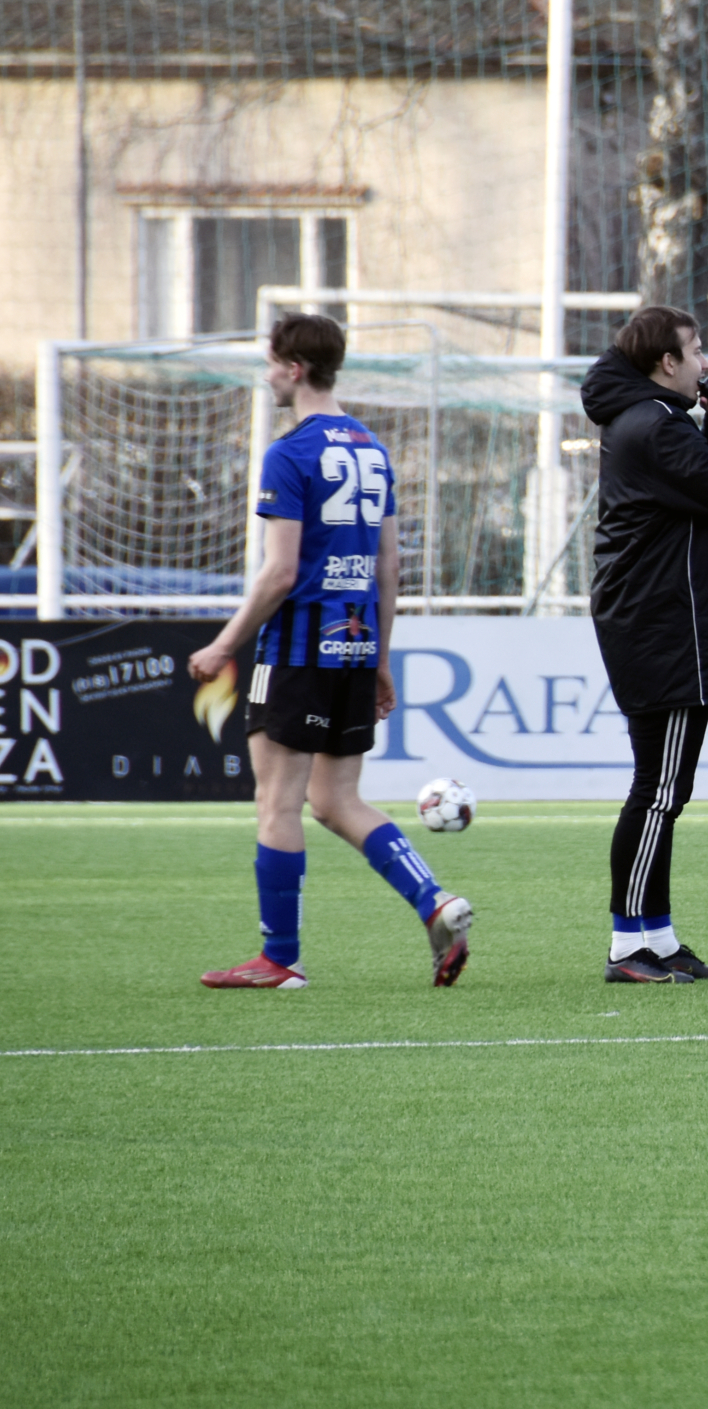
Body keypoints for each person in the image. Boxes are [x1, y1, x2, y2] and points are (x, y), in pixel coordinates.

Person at [191, 312, 472, 989]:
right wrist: (380, 658)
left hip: (295, 647)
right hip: (353, 642)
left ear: (293, 368)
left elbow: (280, 572)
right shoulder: (372, 451)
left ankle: (279, 958)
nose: (267, 376)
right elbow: (390, 565)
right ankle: (435, 901)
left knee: (277, 802)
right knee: (337, 800)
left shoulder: (289, 454)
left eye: (270, 363)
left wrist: (225, 643)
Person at [581, 304, 708, 984]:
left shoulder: (652, 419)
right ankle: (627, 944)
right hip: (662, 625)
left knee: (667, 786)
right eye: (695, 352)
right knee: (659, 787)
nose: (704, 363)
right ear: (666, 362)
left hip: (659, 620)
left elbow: (704, 473)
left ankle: (658, 937)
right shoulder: (654, 424)